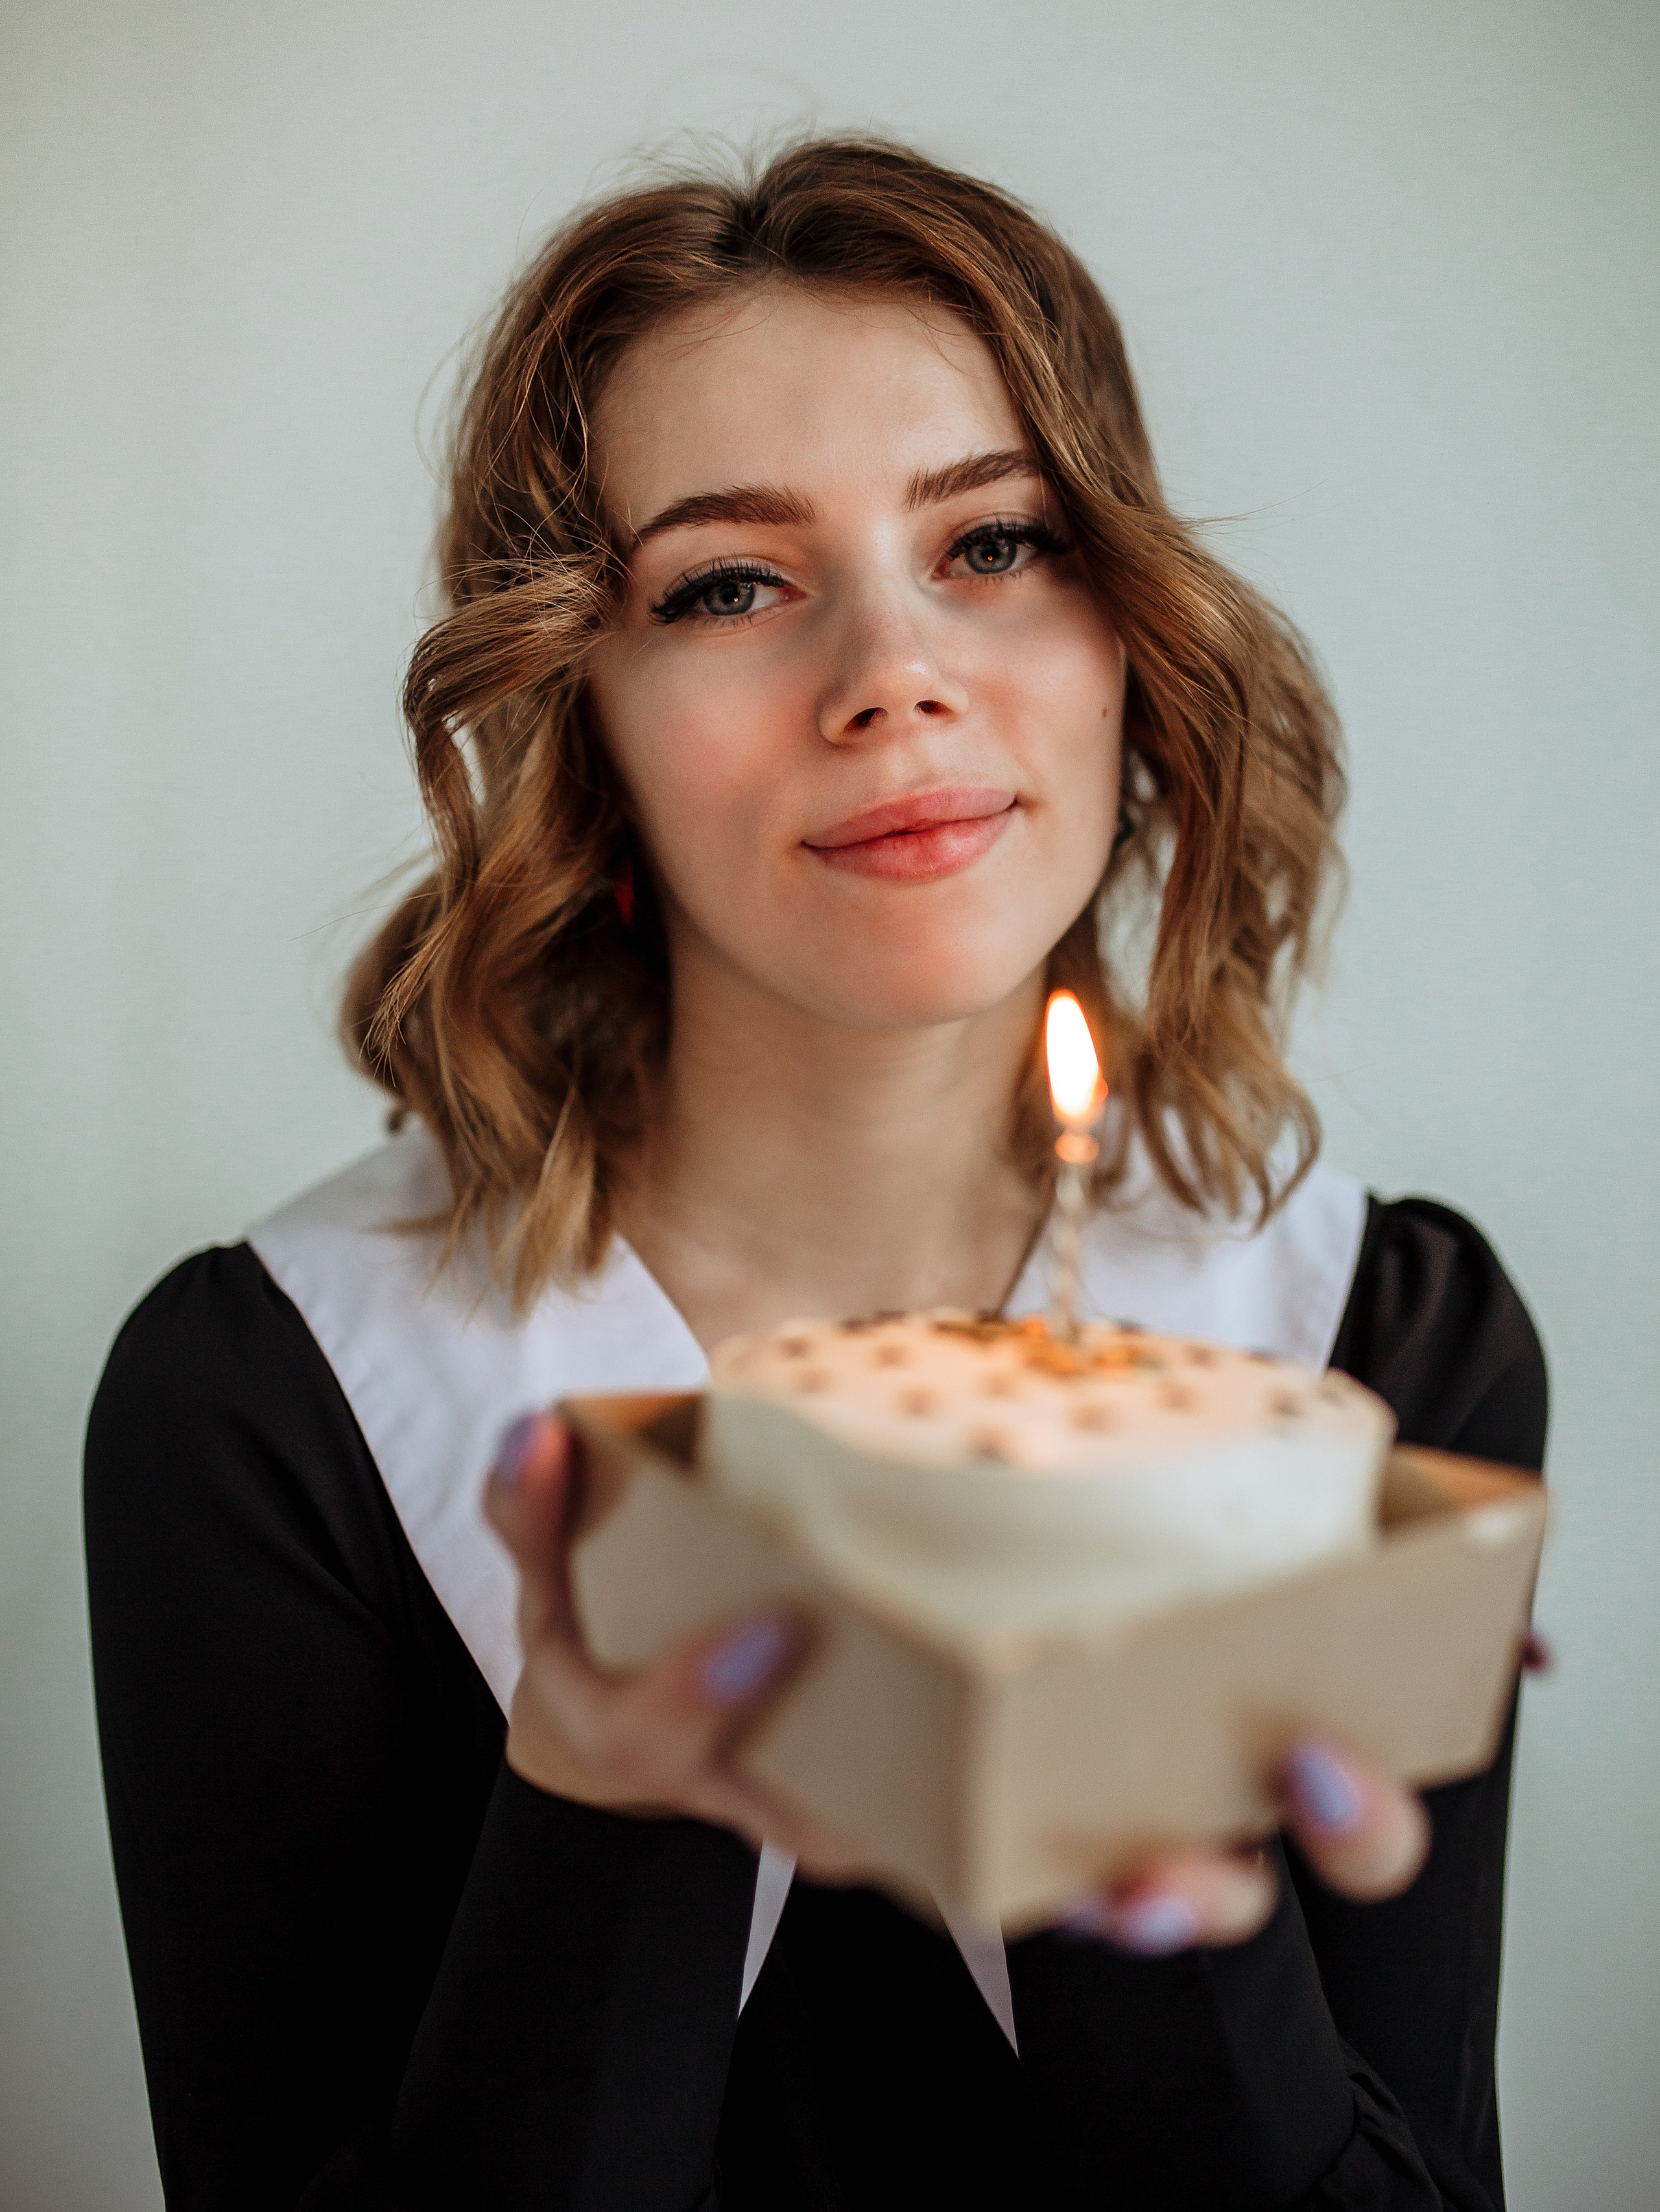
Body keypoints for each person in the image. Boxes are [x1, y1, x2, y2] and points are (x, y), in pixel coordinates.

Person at [84, 138, 1546, 2211]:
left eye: (996, 543)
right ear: (581, 723)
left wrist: (1128, 1785)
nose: (893, 674)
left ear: (1133, 641)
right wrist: (613, 1787)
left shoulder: (1384, 1343)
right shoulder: (272, 1399)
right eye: (729, 585)